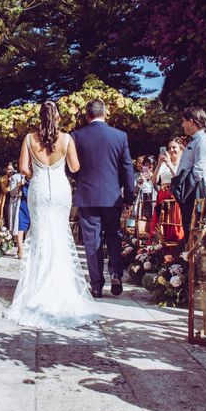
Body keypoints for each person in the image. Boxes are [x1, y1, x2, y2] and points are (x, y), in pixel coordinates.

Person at [4, 101, 98, 328]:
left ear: (40, 117)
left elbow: (24, 168)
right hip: (59, 190)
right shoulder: (66, 139)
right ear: (57, 117)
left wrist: (38, 170)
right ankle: (61, 287)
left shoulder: (29, 138)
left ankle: (37, 287)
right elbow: (75, 168)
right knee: (59, 234)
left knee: (39, 235)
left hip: (38, 190)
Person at [72, 99, 135, 298]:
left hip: (88, 195)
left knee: (91, 241)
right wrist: (129, 196)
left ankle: (97, 285)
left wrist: (81, 180)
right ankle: (116, 273)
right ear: (105, 114)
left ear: (87, 115)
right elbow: (127, 168)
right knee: (113, 235)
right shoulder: (119, 136)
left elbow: (71, 168)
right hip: (111, 195)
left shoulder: (77, 136)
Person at [175, 106, 206, 242]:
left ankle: (201, 263)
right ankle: (190, 261)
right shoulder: (194, 140)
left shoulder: (205, 140)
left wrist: (182, 191)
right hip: (191, 193)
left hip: (199, 193)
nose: (182, 125)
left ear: (191, 121)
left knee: (200, 233)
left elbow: (199, 170)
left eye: (184, 121)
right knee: (190, 232)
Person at [149, 136, 186, 243]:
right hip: (162, 195)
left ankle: (175, 250)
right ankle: (159, 249)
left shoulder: (182, 164)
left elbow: (179, 180)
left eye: (174, 148)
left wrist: (170, 165)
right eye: (169, 148)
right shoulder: (164, 164)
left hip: (174, 196)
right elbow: (154, 181)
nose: (171, 150)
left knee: (173, 224)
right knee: (160, 224)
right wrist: (159, 165)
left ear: (181, 149)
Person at [16, 179, 30, 259]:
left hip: (35, 203)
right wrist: (19, 185)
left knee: (32, 226)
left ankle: (30, 248)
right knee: (21, 225)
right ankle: (20, 248)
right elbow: (12, 192)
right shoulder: (18, 177)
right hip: (23, 203)